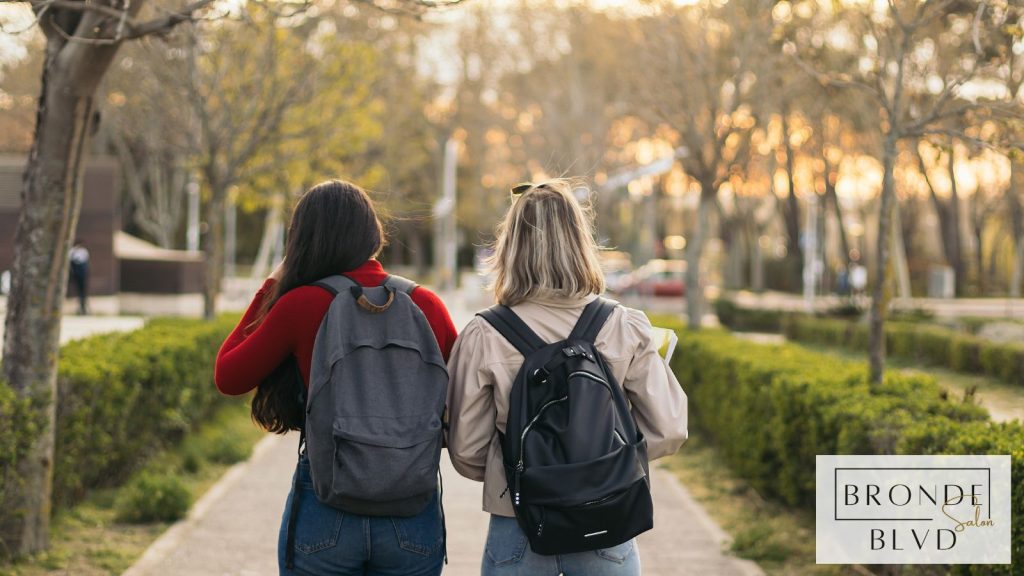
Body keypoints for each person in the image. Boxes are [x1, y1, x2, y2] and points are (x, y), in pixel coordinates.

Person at [214, 180, 457, 576]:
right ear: (370, 232)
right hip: (412, 505)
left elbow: (228, 375)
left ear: (304, 239)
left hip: (327, 502)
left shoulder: (302, 303)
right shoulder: (425, 304)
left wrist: (273, 284)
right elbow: (465, 397)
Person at [446, 179, 688, 576]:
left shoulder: (485, 334)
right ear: (580, 242)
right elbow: (670, 429)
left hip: (519, 523)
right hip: (607, 523)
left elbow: (467, 450)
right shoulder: (623, 325)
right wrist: (607, 464)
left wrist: (525, 473)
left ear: (512, 246)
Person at [69, 239, 89, 315]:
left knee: (82, 291)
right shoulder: (72, 251)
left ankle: (83, 307)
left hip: (82, 273)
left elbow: (83, 261)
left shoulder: (83, 251)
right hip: (74, 273)